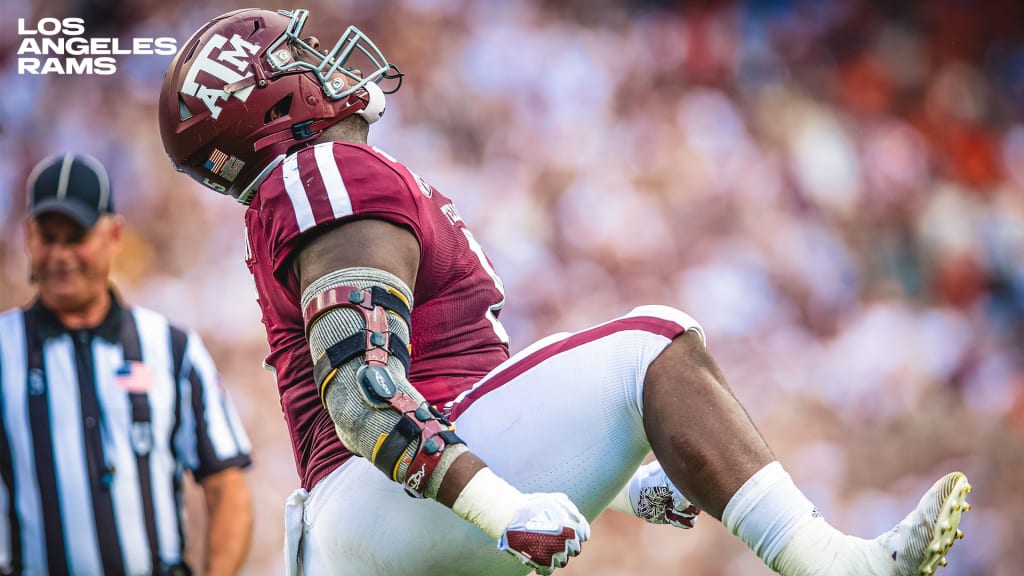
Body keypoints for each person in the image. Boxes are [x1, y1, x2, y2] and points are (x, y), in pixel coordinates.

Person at [157, 8, 972, 575]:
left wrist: (619, 488)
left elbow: (471, 399)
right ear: (268, 101)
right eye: (297, 60)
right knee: (651, 345)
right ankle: (833, 565)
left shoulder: (319, 182)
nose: (325, 64)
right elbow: (365, 393)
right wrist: (501, 509)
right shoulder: (321, 171)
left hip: (382, 519)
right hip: (377, 505)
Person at [0, 154, 255, 576]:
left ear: (113, 235)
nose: (61, 255)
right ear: (28, 237)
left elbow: (227, 485)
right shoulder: (5, 348)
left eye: (76, 236)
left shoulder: (170, 347)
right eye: (48, 237)